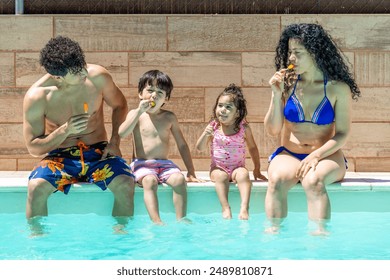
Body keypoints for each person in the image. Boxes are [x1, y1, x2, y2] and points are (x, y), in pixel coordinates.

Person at [23, 36, 135, 232]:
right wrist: (65, 130)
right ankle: (38, 242)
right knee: (35, 187)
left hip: (100, 153)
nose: (84, 72)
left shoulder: (98, 76)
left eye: (82, 65)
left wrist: (115, 140)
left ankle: (121, 241)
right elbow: (33, 147)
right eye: (76, 72)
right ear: (58, 77)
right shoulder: (38, 97)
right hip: (60, 156)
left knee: (126, 183)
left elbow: (120, 105)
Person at [264, 23, 360, 234]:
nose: (291, 58)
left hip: (326, 155)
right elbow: (272, 130)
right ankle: (274, 232)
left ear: (315, 53)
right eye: (290, 52)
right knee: (277, 180)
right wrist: (275, 94)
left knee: (313, 180)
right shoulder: (287, 85)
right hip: (290, 154)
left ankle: (320, 234)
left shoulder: (337, 88)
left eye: (297, 53)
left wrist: (316, 155)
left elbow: (343, 134)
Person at [118, 69, 202, 224]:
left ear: (166, 98)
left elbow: (182, 145)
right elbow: (122, 133)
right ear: (140, 94)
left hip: (164, 164)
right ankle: (156, 220)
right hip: (142, 164)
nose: (154, 95)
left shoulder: (169, 117)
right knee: (150, 181)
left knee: (178, 180)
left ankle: (181, 218)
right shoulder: (136, 114)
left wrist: (191, 171)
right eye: (150, 90)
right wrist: (138, 112)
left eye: (160, 92)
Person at [196, 84, 267, 220]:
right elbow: (199, 148)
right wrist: (205, 134)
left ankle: (244, 207)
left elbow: (252, 148)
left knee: (243, 174)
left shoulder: (243, 128)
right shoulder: (213, 127)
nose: (223, 110)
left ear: (238, 113)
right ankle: (225, 207)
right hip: (218, 168)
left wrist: (257, 168)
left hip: (237, 168)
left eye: (228, 107)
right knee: (221, 177)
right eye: (220, 105)